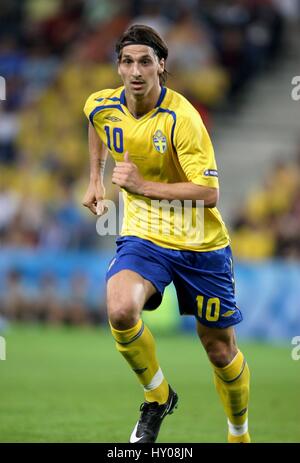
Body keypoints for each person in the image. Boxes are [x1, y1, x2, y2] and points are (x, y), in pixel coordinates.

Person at [82, 24, 250, 444]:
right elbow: (95, 123)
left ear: (161, 66)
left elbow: (209, 193)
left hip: (200, 244)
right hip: (145, 237)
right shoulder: (102, 104)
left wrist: (141, 187)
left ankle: (238, 433)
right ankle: (158, 397)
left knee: (220, 352)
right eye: (127, 61)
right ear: (118, 67)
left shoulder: (183, 118)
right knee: (121, 309)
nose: (136, 70)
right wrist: (96, 180)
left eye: (144, 61)